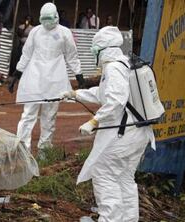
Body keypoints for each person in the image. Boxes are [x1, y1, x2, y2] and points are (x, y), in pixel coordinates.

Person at [61, 26, 156, 221]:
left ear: (103, 49)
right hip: (137, 133)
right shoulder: (123, 64)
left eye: (95, 50)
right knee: (124, 178)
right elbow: (104, 93)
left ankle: (109, 219)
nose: (94, 54)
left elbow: (116, 100)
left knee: (104, 174)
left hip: (123, 135)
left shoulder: (113, 68)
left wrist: (94, 121)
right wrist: (76, 94)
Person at [8, 3, 85, 155]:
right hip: (34, 78)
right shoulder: (35, 32)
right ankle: (22, 152)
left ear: (56, 16)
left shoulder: (65, 33)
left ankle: (44, 152)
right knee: (28, 115)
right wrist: (16, 75)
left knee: (49, 117)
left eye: (50, 19)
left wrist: (79, 76)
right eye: (45, 19)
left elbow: (72, 56)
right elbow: (26, 54)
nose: (48, 22)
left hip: (55, 79)